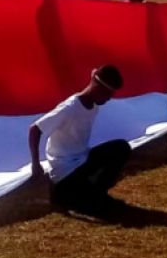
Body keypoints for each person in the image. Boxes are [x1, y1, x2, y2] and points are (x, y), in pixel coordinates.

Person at [29, 66, 131, 214]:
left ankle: (95, 195)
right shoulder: (70, 108)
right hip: (65, 172)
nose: (109, 99)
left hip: (80, 161)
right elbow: (35, 129)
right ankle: (76, 196)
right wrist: (35, 164)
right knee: (99, 209)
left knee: (121, 148)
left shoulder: (93, 105)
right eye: (107, 94)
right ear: (97, 87)